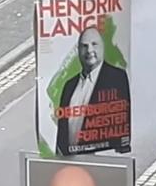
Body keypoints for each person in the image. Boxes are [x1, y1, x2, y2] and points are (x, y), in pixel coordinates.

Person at [56, 26, 131, 155]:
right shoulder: (69, 85)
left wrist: (122, 147)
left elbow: (123, 116)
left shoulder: (117, 77)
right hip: (71, 158)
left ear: (102, 47)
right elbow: (62, 128)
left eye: (94, 44)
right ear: (78, 51)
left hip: (103, 155)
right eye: (84, 46)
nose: (89, 50)